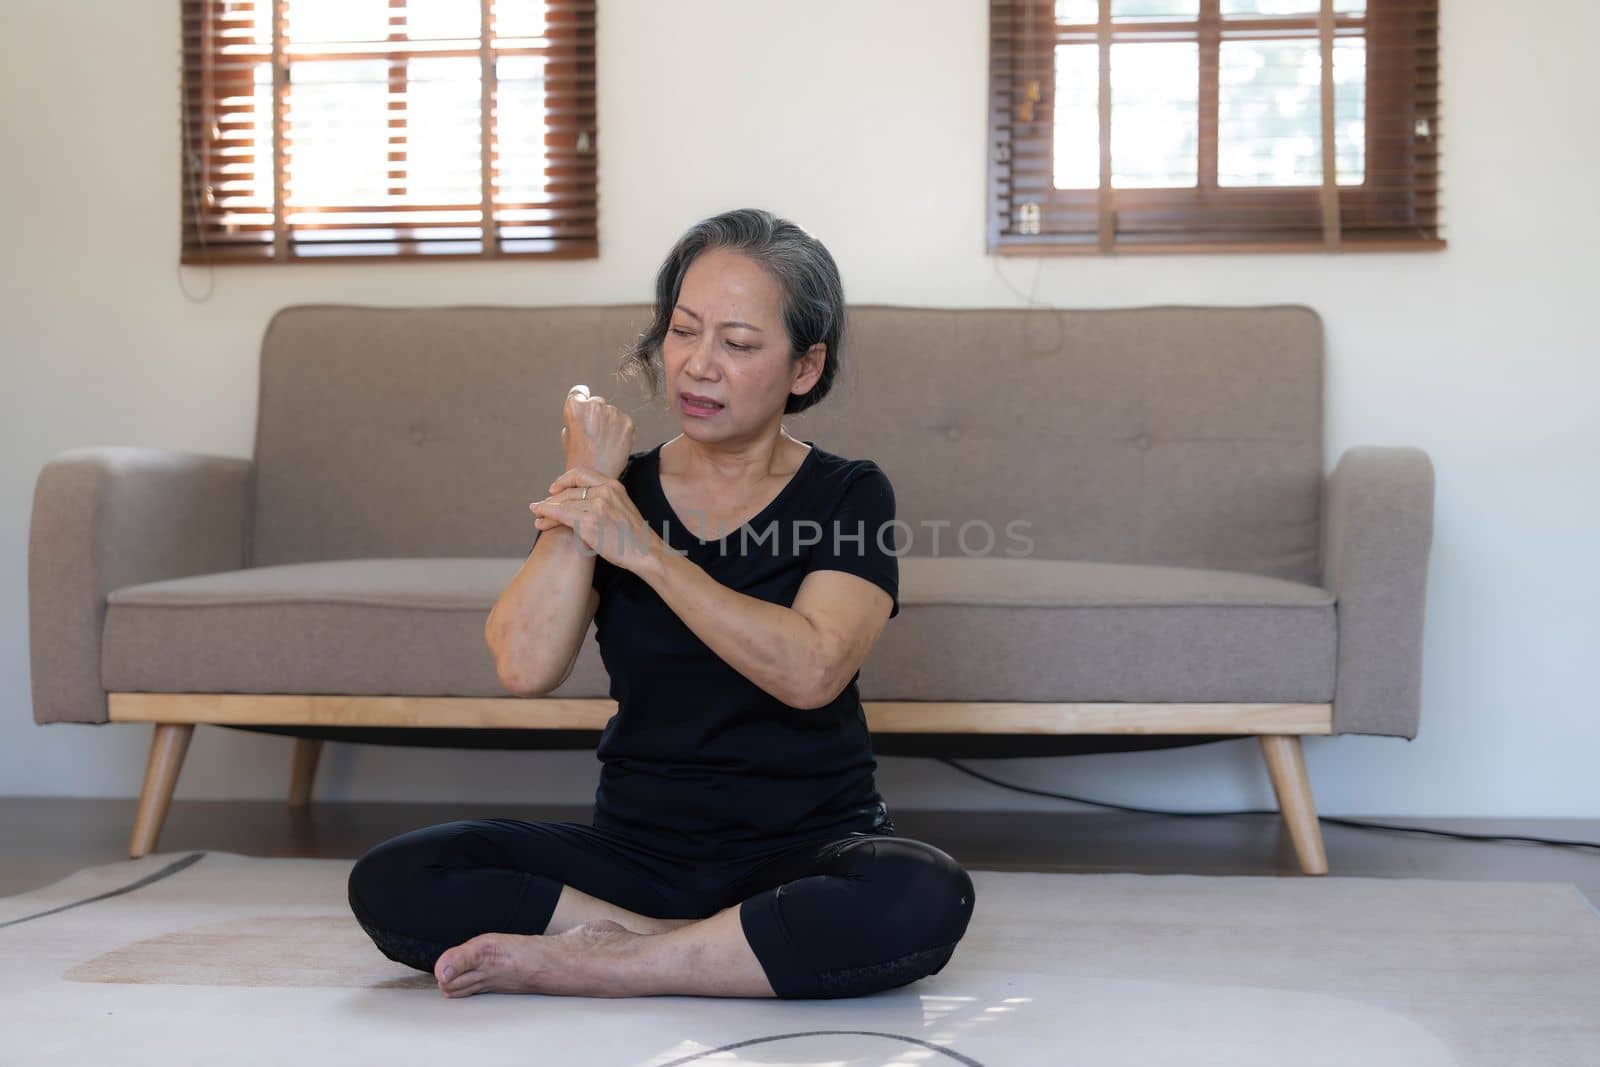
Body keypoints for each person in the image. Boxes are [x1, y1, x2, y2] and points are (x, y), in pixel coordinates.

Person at [346, 207, 976, 1000]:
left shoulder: (849, 493)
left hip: (807, 849)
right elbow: (524, 663)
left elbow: (812, 668)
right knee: (398, 875)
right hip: (637, 858)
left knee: (922, 892)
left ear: (805, 368)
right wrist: (589, 493)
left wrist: (644, 548)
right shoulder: (618, 492)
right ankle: (705, 949)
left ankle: (610, 959)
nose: (697, 366)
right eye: (683, 331)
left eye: (739, 344)